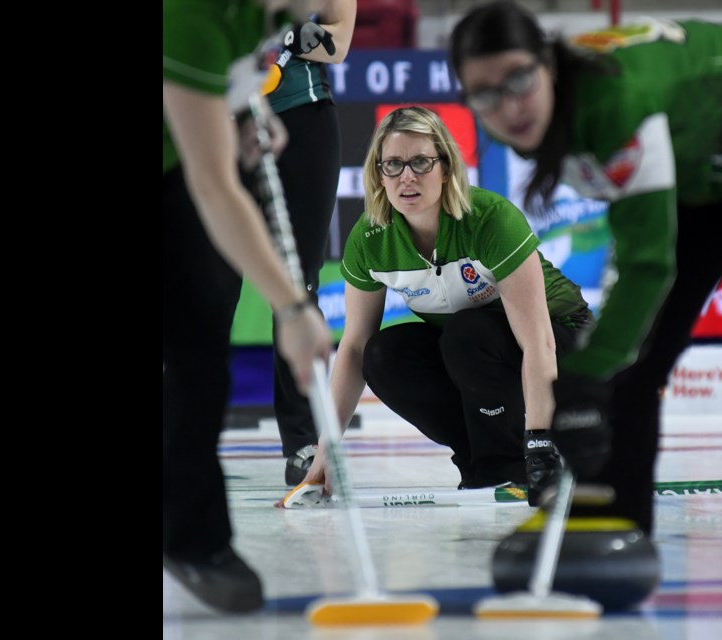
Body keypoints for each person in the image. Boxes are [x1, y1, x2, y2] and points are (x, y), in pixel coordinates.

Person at [450, 1, 722, 610]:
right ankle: (613, 527)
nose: (508, 106)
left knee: (612, 360)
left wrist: (584, 373)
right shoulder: (546, 115)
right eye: (485, 94)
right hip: (709, 176)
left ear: (549, 63)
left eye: (519, 80)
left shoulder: (611, 103)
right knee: (631, 366)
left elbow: (650, 264)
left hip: (717, 158)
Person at [299, 105, 593, 505]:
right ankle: (480, 460)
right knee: (383, 354)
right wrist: (326, 449)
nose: (407, 176)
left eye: (421, 161)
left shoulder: (489, 219)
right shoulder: (370, 241)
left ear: (446, 168)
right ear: (378, 174)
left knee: (467, 334)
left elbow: (539, 341)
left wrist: (540, 444)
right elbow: (351, 348)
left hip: (564, 345)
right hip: (476, 352)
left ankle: (509, 461)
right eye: (394, 165)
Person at [163, 0, 335, 613]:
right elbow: (214, 184)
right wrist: (290, 309)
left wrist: (248, 111)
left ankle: (193, 541)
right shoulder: (190, 16)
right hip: (183, 169)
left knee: (198, 346)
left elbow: (225, 94)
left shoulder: (256, 16)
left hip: (174, 159)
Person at [242, 0, 357, 488]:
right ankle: (186, 439)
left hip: (304, 117)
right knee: (206, 283)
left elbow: (339, 43)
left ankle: (302, 442)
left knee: (298, 283)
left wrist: (286, 38)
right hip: (219, 116)